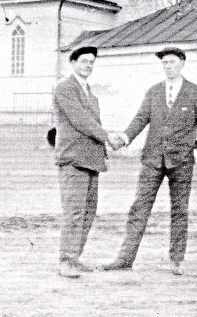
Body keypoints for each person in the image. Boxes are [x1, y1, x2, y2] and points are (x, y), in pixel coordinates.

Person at [102, 46, 197, 276]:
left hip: (182, 162)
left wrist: (196, 153)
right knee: (139, 208)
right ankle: (125, 258)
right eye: (164, 63)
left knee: (179, 210)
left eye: (172, 62)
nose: (168, 66)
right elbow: (140, 119)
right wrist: (124, 138)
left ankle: (176, 260)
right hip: (152, 159)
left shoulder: (195, 92)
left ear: (182, 63)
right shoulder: (154, 91)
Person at [53, 45, 122, 278]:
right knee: (74, 211)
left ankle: (75, 257)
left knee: (88, 212)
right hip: (73, 160)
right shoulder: (64, 88)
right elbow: (81, 120)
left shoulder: (90, 94)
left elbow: (91, 124)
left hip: (92, 160)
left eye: (92, 62)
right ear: (72, 63)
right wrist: (107, 137)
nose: (88, 65)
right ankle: (66, 261)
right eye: (84, 61)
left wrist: (104, 152)